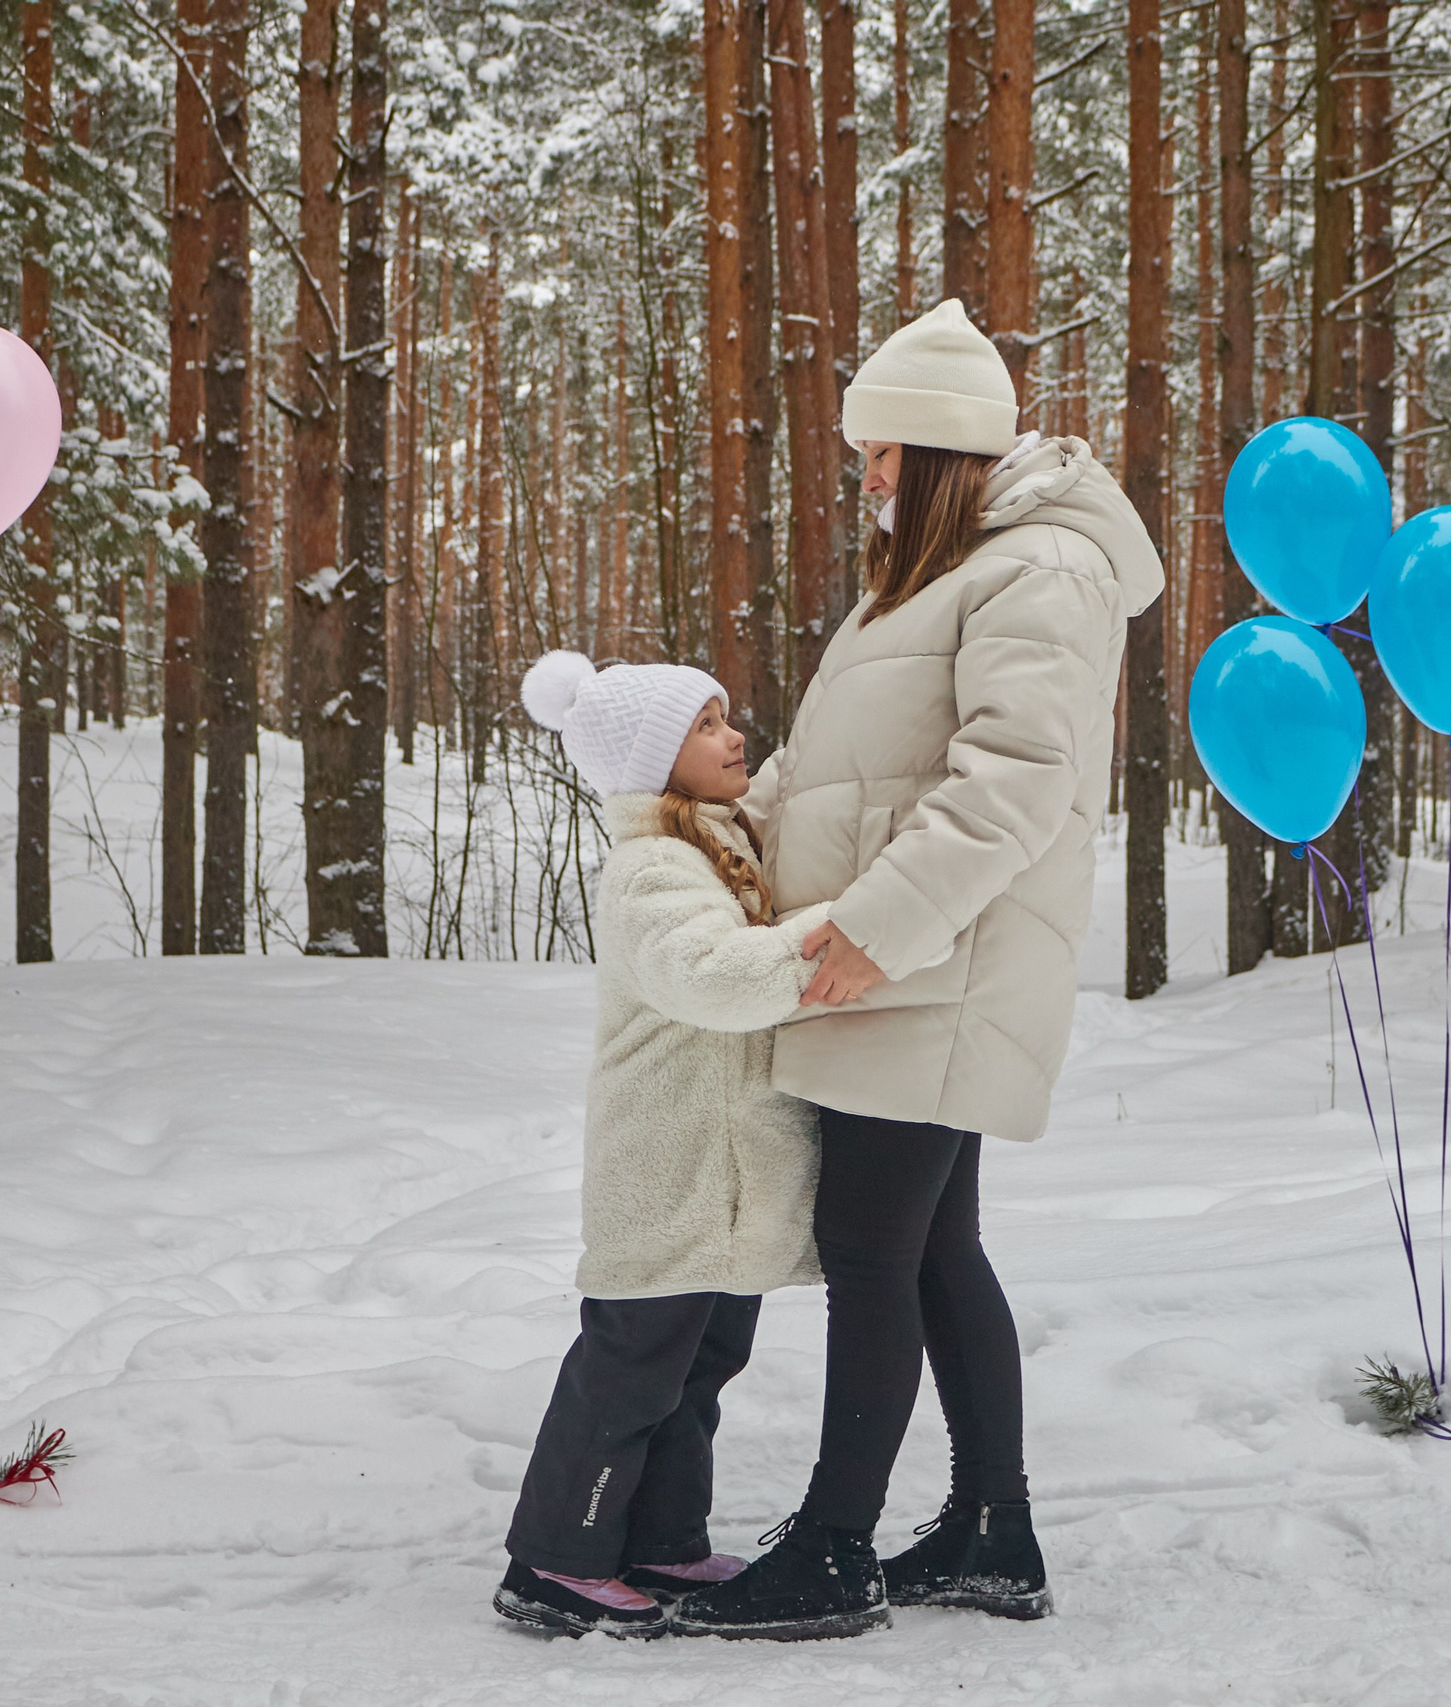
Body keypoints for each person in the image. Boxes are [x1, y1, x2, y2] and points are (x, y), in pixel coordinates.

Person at [674, 299, 1164, 1641]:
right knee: (937, 1244)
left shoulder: (1037, 573)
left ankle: (834, 1544)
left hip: (940, 959)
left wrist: (876, 926)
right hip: (909, 957)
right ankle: (991, 1529)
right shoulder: (941, 575)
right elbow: (839, 765)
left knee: (873, 1243)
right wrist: (715, 840)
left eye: (885, 452)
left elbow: (1009, 784)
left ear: (946, 449)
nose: (868, 478)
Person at [491, 650, 832, 1639]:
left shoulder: (713, 843)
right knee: (630, 1373)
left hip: (721, 1182)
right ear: (652, 757)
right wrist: (830, 932)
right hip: (668, 1169)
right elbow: (710, 976)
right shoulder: (650, 866)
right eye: (709, 725)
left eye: (730, 718)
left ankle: (662, 1540)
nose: (735, 738)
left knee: (697, 1369)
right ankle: (556, 1557)